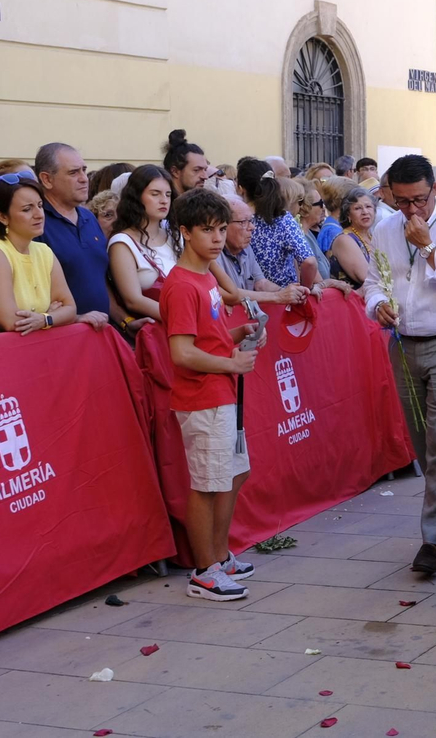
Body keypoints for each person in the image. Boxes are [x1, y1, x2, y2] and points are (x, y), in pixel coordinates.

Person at [364, 156, 436, 574]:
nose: (412, 210)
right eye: (403, 201)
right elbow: (374, 280)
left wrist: (428, 246)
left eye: (420, 200)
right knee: (423, 441)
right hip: (404, 342)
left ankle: (431, 540)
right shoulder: (386, 227)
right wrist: (377, 305)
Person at [160, 188, 264, 601]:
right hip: (203, 397)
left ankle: (219, 557)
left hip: (222, 391)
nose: (218, 237)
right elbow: (181, 353)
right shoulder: (183, 285)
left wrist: (240, 334)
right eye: (207, 230)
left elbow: (210, 336)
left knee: (233, 475)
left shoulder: (204, 278)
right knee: (207, 484)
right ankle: (204, 571)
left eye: (222, 228)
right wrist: (231, 363)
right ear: (185, 231)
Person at [0, 171, 97, 333]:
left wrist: (45, 319)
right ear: (2, 216)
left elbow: (70, 309)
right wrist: (50, 314)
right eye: (27, 209)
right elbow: (12, 322)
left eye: (40, 206)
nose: (39, 215)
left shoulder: (43, 251)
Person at [34, 142, 113, 319]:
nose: (84, 178)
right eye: (73, 172)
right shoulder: (36, 223)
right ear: (47, 179)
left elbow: (100, 282)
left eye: (84, 170)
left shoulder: (89, 217)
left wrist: (125, 321)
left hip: (102, 331)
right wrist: (75, 318)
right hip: (62, 337)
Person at [109, 165, 179, 324]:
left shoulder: (177, 236)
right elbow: (133, 300)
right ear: (136, 196)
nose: (164, 200)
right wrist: (182, 318)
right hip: (160, 330)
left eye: (168, 194)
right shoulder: (122, 243)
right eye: (155, 194)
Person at [236, 158, 319, 288]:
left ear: (240, 189)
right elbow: (309, 261)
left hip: (249, 296)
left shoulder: (236, 220)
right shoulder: (282, 218)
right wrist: (306, 287)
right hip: (285, 298)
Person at [217, 195, 307, 305]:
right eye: (243, 222)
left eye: (251, 221)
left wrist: (288, 293)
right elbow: (229, 294)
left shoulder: (246, 248)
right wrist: (277, 296)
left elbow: (260, 283)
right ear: (224, 225)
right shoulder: (214, 255)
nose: (252, 227)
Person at [327, 187, 376, 287]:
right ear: (348, 214)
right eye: (357, 208)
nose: (365, 212)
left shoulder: (372, 236)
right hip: (355, 300)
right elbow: (366, 277)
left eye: (368, 206)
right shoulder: (344, 240)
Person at [164, 130, 212, 196]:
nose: (205, 176)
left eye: (205, 170)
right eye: (197, 170)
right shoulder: (162, 204)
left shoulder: (202, 203)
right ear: (175, 171)